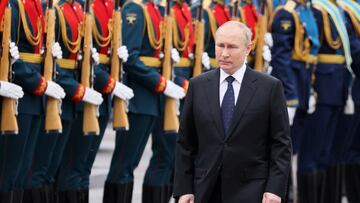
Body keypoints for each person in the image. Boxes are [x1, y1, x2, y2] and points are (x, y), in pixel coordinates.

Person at [173, 21, 292, 203]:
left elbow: (280, 144)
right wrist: (184, 189)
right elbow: (186, 143)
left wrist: (275, 189)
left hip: (252, 190)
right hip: (206, 188)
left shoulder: (269, 87)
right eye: (220, 46)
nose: (225, 53)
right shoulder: (198, 85)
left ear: (248, 48)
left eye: (232, 47)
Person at [103, 0, 185, 202]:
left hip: (155, 98)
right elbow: (130, 57)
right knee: (125, 163)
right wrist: (161, 83)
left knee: (158, 158)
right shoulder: (135, 9)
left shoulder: (156, 9)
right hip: (139, 96)